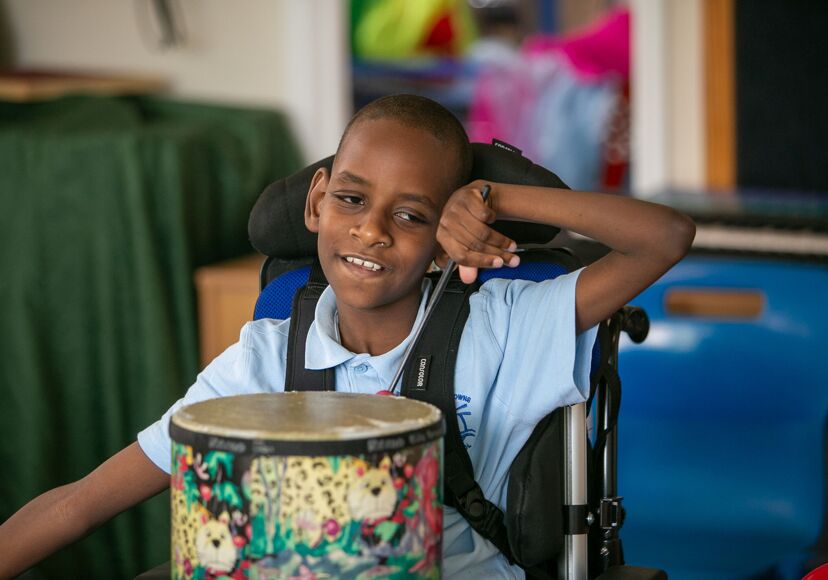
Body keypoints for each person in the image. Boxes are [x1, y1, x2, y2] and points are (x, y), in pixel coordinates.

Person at [0, 94, 695, 578]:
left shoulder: (505, 324)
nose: (371, 230)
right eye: (352, 199)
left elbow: (666, 237)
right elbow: (79, 504)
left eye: (413, 215)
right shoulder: (264, 360)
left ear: (444, 240)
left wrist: (495, 198)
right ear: (316, 202)